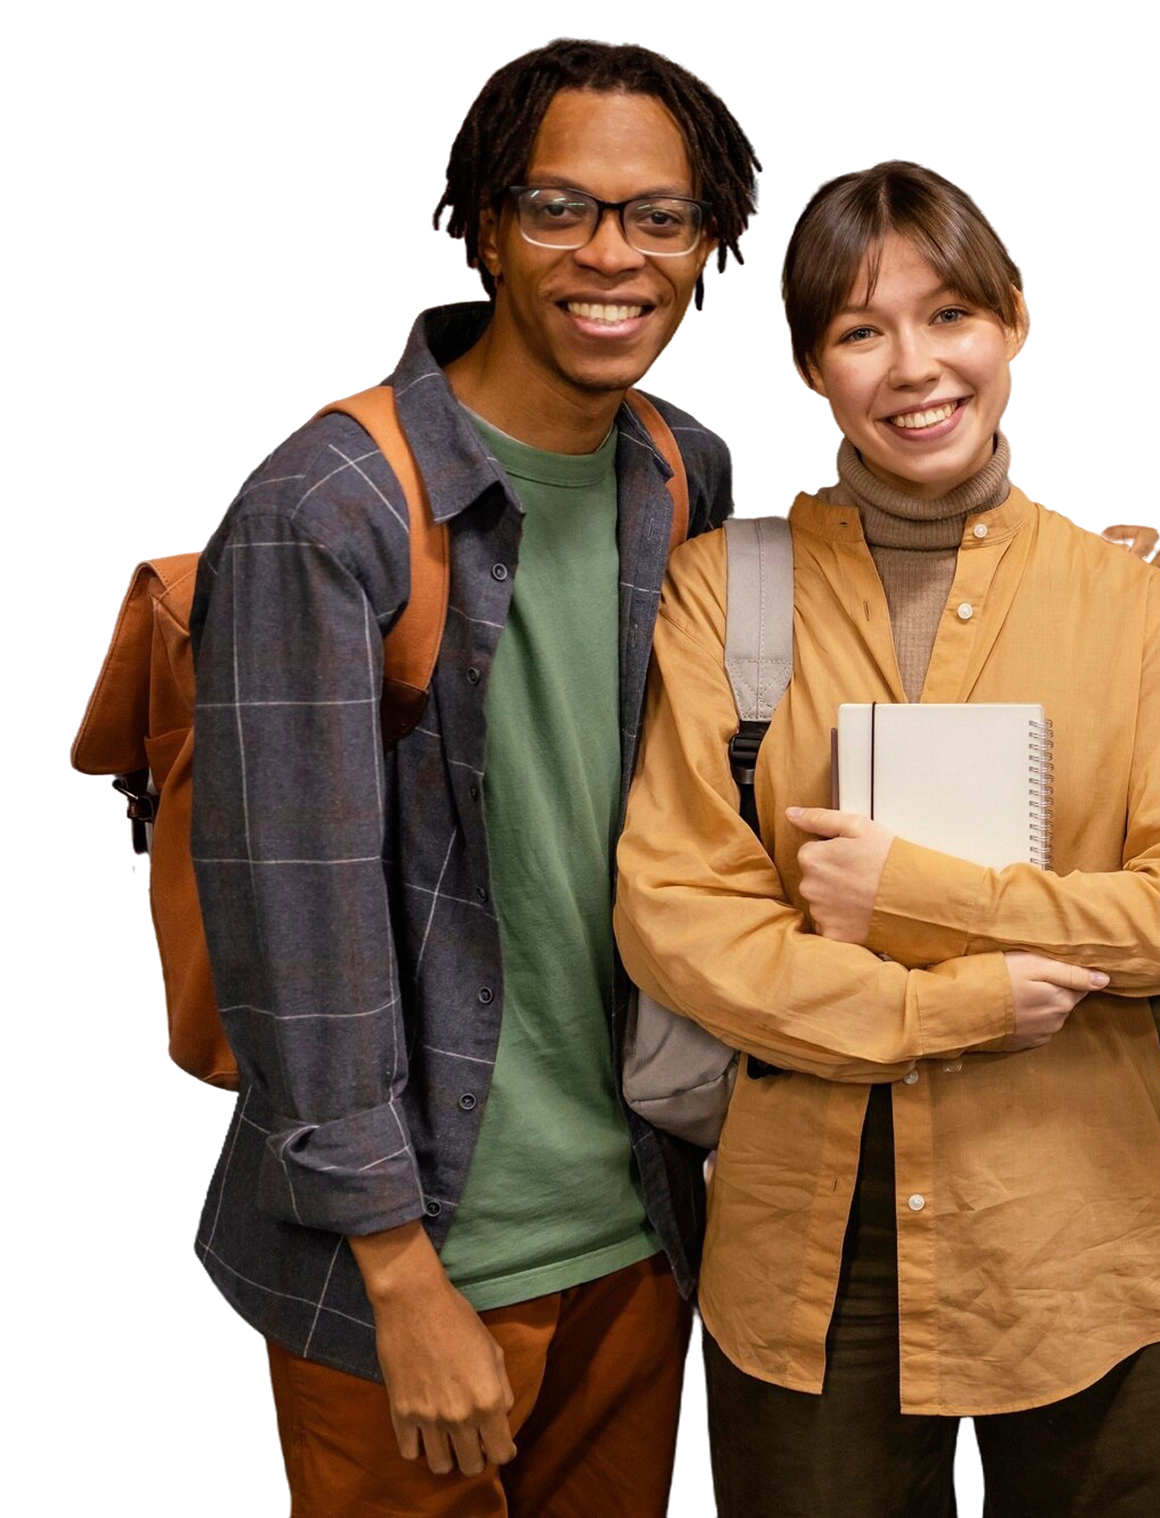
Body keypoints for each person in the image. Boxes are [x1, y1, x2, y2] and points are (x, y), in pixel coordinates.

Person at [610, 158, 1160, 1518]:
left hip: (1079, 1251)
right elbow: (675, 918)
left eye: (949, 315)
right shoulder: (725, 589)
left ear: (1014, 320)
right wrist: (967, 999)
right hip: (805, 1256)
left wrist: (920, 893)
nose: (914, 366)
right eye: (860, 330)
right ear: (808, 365)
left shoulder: (1130, 603)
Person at [186, 36, 760, 1516]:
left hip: (634, 1230)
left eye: (657, 216)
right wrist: (397, 1272)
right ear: (486, 227)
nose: (610, 255)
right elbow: (291, 930)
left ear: (709, 245)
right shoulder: (325, 505)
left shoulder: (683, 469)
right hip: (419, 1253)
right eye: (560, 208)